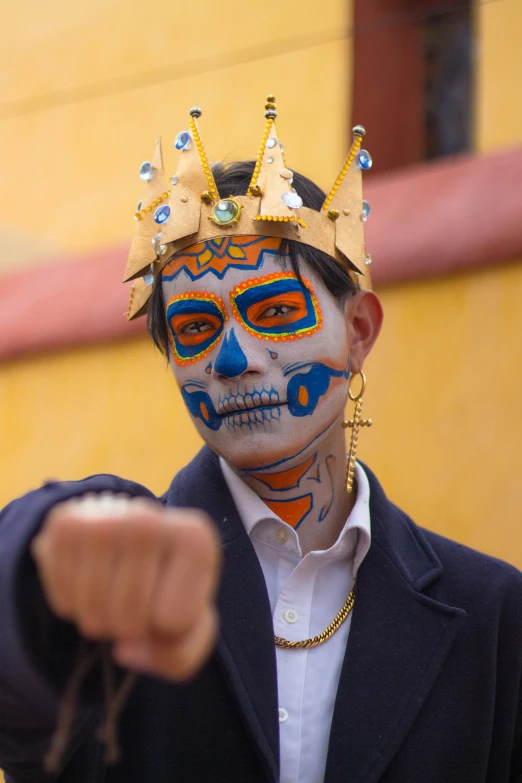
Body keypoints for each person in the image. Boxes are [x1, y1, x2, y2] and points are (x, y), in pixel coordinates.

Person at [0, 98, 521, 783]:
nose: (232, 357)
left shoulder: (490, 614)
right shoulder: (114, 599)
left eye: (275, 312)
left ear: (358, 331)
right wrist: (43, 563)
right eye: (194, 327)